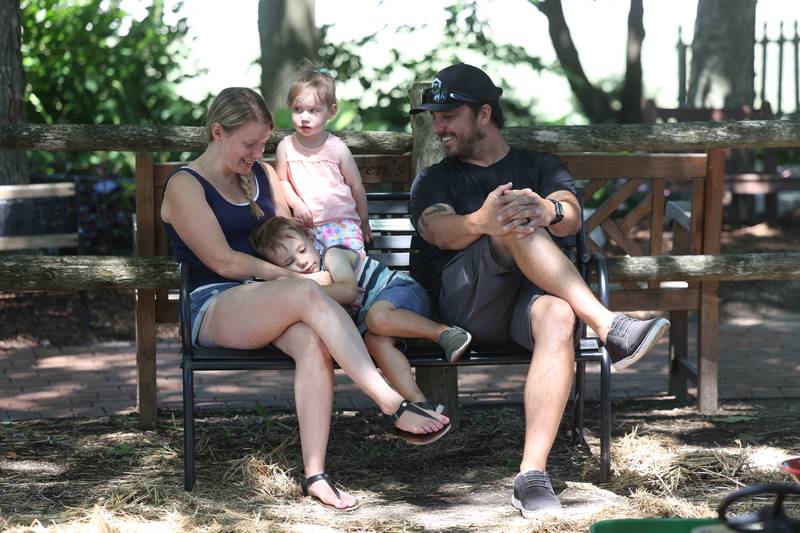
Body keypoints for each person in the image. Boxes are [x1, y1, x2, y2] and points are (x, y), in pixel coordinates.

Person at [160, 87, 450, 512]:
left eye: (263, 143)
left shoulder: (260, 174)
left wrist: (309, 270)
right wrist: (302, 281)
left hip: (271, 297)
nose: (259, 152)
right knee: (302, 293)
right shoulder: (186, 185)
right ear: (217, 132)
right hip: (213, 302)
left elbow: (285, 237)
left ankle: (315, 474)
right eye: (249, 144)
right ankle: (391, 402)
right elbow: (222, 262)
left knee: (311, 340)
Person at [408, 63, 671, 516]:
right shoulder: (437, 177)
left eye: (448, 115)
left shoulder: (540, 165)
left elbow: (569, 212)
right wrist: (483, 222)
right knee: (509, 221)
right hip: (464, 309)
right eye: (434, 116)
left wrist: (546, 210)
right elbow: (437, 229)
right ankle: (611, 326)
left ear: (484, 114)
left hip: (526, 309)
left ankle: (531, 474)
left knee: (558, 315)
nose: (439, 125)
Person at [249, 216, 473, 414]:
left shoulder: (333, 255)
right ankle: (420, 405)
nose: (302, 262)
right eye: (289, 263)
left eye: (301, 250)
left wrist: (299, 288)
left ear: (310, 238)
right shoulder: (314, 277)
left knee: (376, 318)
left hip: (403, 293)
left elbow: (348, 291)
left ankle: (445, 333)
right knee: (375, 343)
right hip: (378, 325)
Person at [275, 64, 372, 255]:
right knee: (313, 269)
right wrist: (296, 203)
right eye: (298, 109)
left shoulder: (337, 148)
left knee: (348, 266)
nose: (304, 117)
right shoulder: (285, 147)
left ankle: (350, 285)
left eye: (313, 111)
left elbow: (356, 186)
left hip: (342, 224)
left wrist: (364, 222)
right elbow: (282, 181)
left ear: (331, 111)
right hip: (306, 227)